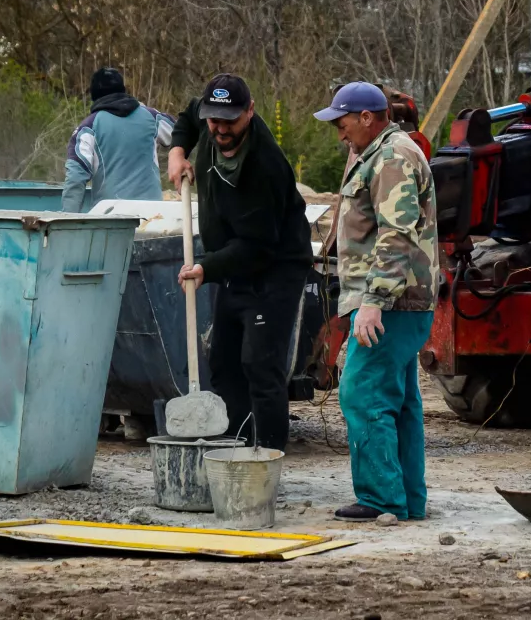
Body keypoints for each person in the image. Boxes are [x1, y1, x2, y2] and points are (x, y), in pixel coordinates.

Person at [315, 81, 439, 523]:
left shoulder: (390, 158)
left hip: (392, 302)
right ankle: (406, 499)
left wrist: (374, 301)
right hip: (400, 300)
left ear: (367, 117)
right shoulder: (378, 153)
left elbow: (396, 234)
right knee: (399, 399)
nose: (340, 133)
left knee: (362, 392)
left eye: (343, 123)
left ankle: (382, 500)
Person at [171, 74, 310, 451]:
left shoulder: (265, 167)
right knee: (224, 362)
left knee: (260, 365)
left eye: (230, 121)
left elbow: (257, 246)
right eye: (214, 121)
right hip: (232, 263)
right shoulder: (210, 116)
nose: (219, 129)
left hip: (273, 268)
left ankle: (266, 458)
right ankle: (235, 449)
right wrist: (178, 151)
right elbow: (187, 116)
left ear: (250, 111)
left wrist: (206, 269)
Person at [62, 67, 173, 213]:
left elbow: (75, 178)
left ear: (93, 95)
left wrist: (67, 222)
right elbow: (180, 133)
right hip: (153, 216)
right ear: (123, 90)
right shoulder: (151, 116)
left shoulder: (88, 128)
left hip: (110, 220)